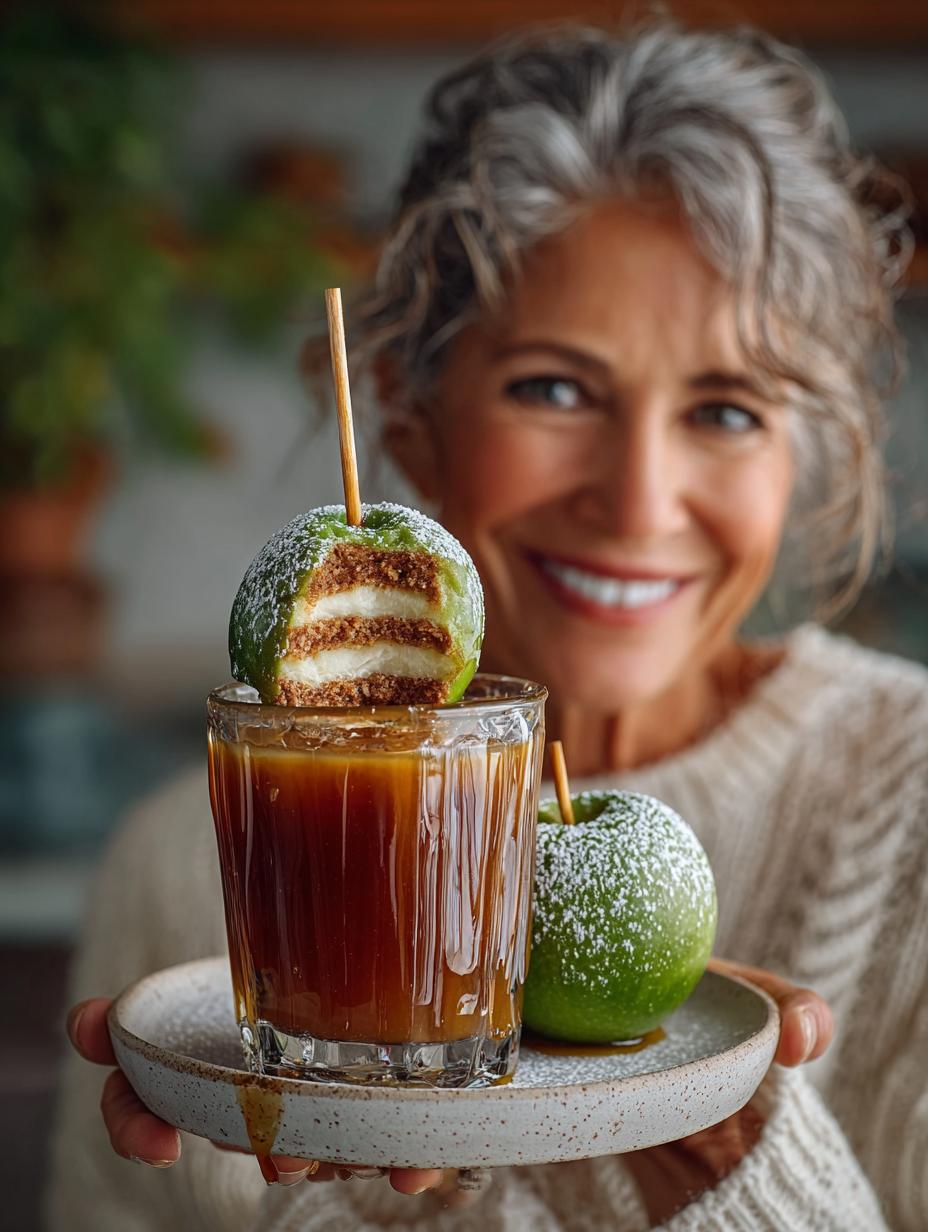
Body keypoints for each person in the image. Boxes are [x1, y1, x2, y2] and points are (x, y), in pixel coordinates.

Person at [49, 21, 927, 1232]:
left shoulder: (914, 804)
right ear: (410, 411)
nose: (636, 503)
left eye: (725, 407)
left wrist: (721, 1132)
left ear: (799, 453)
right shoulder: (179, 870)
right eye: (553, 389)